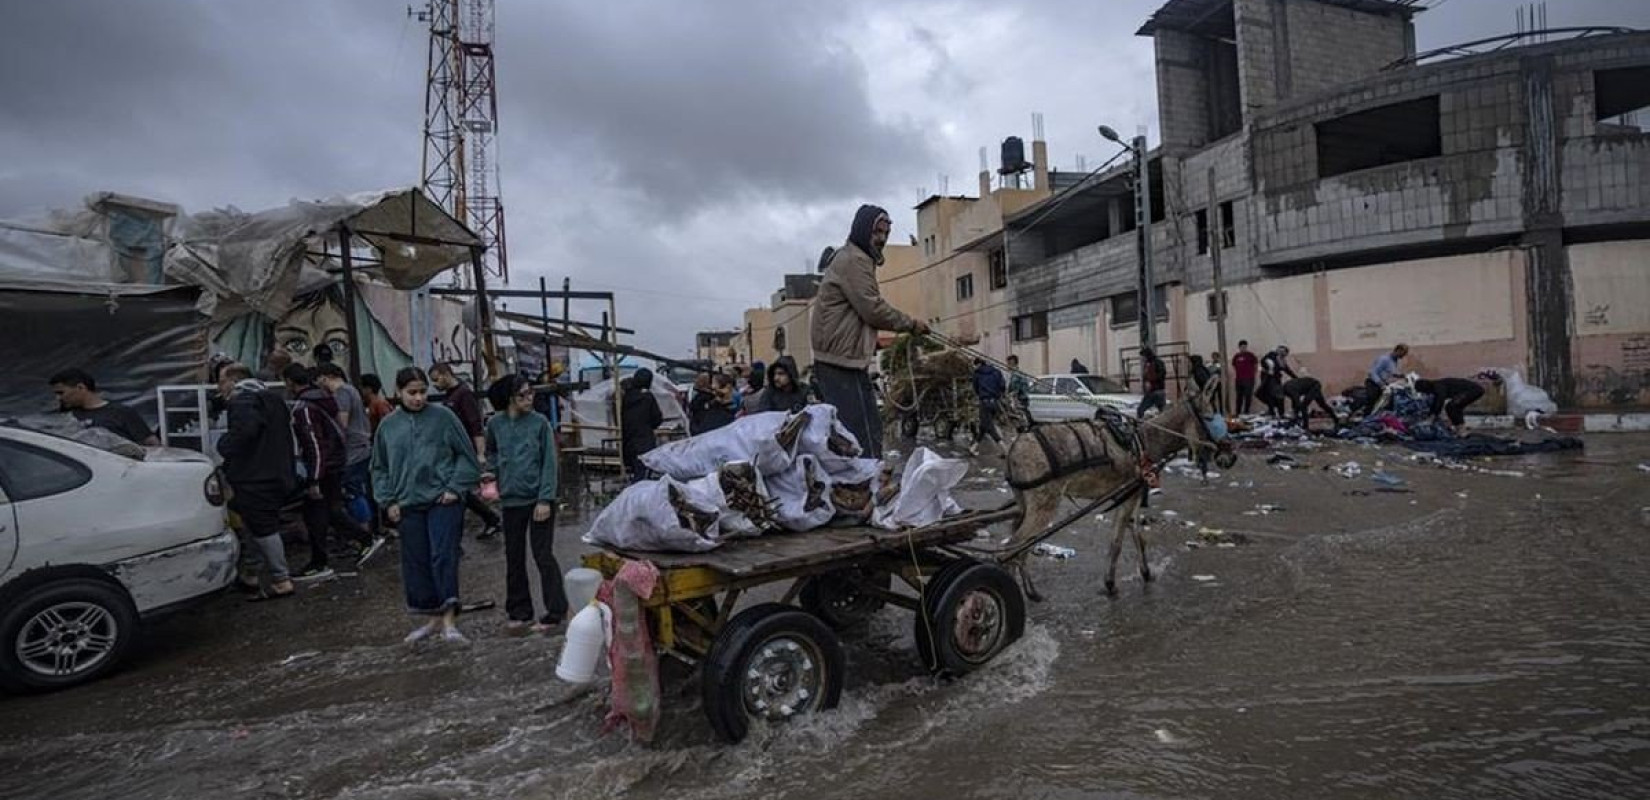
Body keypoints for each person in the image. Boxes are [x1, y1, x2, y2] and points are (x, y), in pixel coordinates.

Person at [371, 366, 481, 644]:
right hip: (406, 503)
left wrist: (455, 488)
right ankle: (432, 619)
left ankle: (449, 621)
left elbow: (466, 456)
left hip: (442, 500)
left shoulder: (444, 417)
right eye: (411, 393)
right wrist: (388, 501)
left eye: (422, 392)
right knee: (417, 561)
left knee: (443, 555)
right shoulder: (388, 426)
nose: (418, 398)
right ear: (398, 392)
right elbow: (379, 467)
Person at [809, 204, 928, 459]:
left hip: (844, 361)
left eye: (886, 233)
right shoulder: (855, 260)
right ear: (863, 231)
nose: (882, 239)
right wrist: (911, 324)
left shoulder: (855, 259)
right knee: (862, 434)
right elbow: (872, 309)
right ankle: (865, 487)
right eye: (878, 233)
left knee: (866, 429)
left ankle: (864, 484)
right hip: (840, 362)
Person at [484, 375, 567, 635]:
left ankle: (555, 610)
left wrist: (545, 498)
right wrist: (495, 473)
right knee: (514, 556)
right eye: (522, 395)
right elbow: (491, 452)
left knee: (542, 554)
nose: (529, 399)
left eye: (530, 393)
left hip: (538, 500)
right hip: (511, 500)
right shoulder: (495, 424)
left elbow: (549, 464)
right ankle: (519, 611)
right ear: (509, 399)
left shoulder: (540, 423)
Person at [215, 363, 296, 601]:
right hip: (277, 474)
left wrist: (224, 445)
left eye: (221, 380)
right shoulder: (273, 400)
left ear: (233, 381)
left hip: (255, 478)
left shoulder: (243, 401)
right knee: (254, 526)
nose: (219, 386)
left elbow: (246, 431)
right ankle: (250, 574)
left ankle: (281, 580)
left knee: (263, 527)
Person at [284, 363, 354, 580]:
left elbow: (314, 443)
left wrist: (314, 478)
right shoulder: (323, 399)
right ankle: (363, 538)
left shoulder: (304, 407)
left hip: (322, 467)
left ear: (290, 382)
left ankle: (320, 561)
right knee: (330, 509)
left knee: (317, 514)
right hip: (333, 463)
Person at [429, 362, 502, 539]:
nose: (436, 385)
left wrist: (479, 453)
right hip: (455, 450)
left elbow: (475, 425)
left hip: (465, 449)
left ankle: (483, 522)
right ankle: (490, 519)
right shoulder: (451, 395)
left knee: (461, 492)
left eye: (437, 379)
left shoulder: (463, 394)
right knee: (463, 493)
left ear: (447, 374)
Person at [317, 363, 384, 552]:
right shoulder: (352, 390)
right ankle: (364, 533)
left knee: (352, 492)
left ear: (325, 377)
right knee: (356, 491)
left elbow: (342, 423)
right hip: (360, 448)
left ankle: (363, 535)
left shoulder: (343, 393)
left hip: (353, 451)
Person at [48, 369, 158, 446]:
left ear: (80, 388)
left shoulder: (121, 412)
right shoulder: (68, 417)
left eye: (61, 392)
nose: (58, 398)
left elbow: (152, 445)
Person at [620, 368, 664, 481]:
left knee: (636, 473)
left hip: (628, 441)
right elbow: (657, 418)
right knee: (644, 475)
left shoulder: (626, 398)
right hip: (645, 442)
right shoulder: (648, 397)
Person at [1415, 375, 1490, 431]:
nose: (1427, 394)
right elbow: (1435, 403)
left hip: (1473, 390)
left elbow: (1439, 401)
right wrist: (1431, 415)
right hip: (1473, 390)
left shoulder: (1438, 387)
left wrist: (1432, 418)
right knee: (1455, 407)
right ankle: (1461, 429)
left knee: (1451, 407)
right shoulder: (1437, 386)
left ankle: (1461, 430)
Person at [1360, 344, 1410, 417]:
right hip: (1373, 383)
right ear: (1398, 350)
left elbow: (1390, 372)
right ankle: (1366, 417)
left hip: (1383, 384)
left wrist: (1401, 376)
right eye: (1403, 353)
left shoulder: (1395, 361)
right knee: (1372, 400)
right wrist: (1380, 383)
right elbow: (1373, 372)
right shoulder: (1384, 359)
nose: (1403, 356)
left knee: (1389, 401)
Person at [970, 358, 1006, 456]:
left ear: (978, 364)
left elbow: (975, 388)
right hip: (995, 403)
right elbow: (1003, 386)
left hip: (984, 403)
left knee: (989, 427)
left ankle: (1003, 449)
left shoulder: (977, 374)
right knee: (983, 426)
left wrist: (981, 394)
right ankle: (973, 448)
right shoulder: (996, 372)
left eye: (975, 365)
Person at [1257, 345, 1296, 418]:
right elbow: (1263, 361)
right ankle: (1272, 410)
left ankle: (1280, 413)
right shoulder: (1272, 354)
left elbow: (1288, 370)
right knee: (1265, 395)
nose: (1281, 353)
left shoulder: (1282, 361)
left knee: (1279, 396)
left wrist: (1296, 378)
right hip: (1267, 379)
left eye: (1283, 352)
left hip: (1275, 380)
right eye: (1280, 350)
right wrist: (1267, 367)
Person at [1136, 347, 1167, 418]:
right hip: (1155, 390)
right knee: (1162, 411)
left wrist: (1151, 380)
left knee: (1141, 409)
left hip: (1156, 390)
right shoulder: (1148, 364)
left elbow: (1162, 374)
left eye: (1143, 357)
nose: (1142, 359)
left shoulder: (1155, 363)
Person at [1231, 341, 1259, 416]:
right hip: (1239, 379)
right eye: (1242, 347)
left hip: (1249, 379)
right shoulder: (1236, 356)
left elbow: (1256, 365)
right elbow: (1233, 366)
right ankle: (1238, 412)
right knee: (1239, 396)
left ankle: (1246, 412)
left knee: (1248, 396)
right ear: (1239, 347)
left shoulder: (1251, 355)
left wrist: (1253, 375)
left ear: (1246, 347)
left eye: (1245, 347)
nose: (1243, 348)